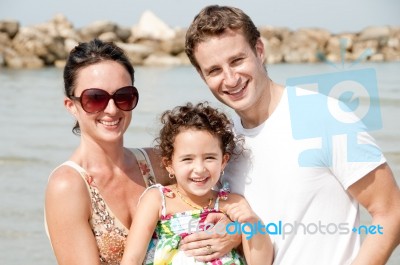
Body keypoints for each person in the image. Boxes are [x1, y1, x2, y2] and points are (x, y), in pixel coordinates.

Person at [183, 5, 400, 265]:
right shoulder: (221, 140)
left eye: (237, 61)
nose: (230, 80)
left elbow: (391, 214)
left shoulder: (325, 116)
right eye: (214, 70)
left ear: (259, 51)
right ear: (201, 75)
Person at [44, 39, 239, 264]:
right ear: (71, 106)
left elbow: (218, 200)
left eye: (123, 96)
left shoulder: (157, 164)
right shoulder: (67, 186)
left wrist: (233, 232)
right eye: (95, 98)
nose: (112, 109)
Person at [120, 102, 273, 265]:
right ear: (169, 164)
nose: (199, 169)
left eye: (209, 158)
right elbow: (132, 259)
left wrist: (252, 222)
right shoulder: (159, 200)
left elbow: (261, 262)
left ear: (223, 161)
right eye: (187, 159)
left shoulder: (232, 204)